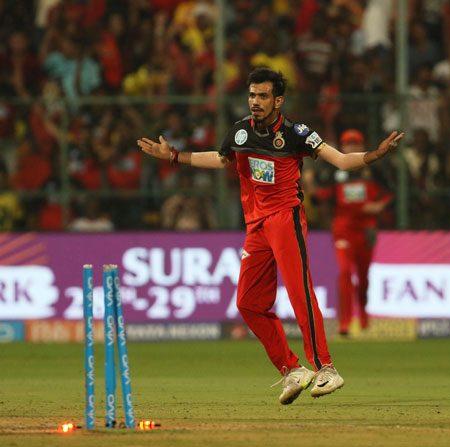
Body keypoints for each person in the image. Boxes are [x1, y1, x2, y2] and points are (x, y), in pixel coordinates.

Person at [138, 67, 403, 405]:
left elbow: (340, 160)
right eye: (252, 95)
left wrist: (375, 156)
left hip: (285, 217)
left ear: (278, 100)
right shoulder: (239, 134)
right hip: (256, 226)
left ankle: (326, 368)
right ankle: (292, 369)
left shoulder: (296, 133)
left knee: (298, 292)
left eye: (263, 96)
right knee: (248, 303)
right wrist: (175, 156)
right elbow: (221, 160)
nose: (255, 102)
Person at [311, 129, 392, 336]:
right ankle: (345, 322)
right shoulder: (334, 171)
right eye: (348, 144)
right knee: (345, 272)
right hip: (343, 227)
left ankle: (363, 312)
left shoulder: (374, 169)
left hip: (367, 227)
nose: (352, 148)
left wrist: (379, 206)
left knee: (363, 277)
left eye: (356, 144)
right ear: (342, 147)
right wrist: (309, 185)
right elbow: (320, 196)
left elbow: (391, 193)